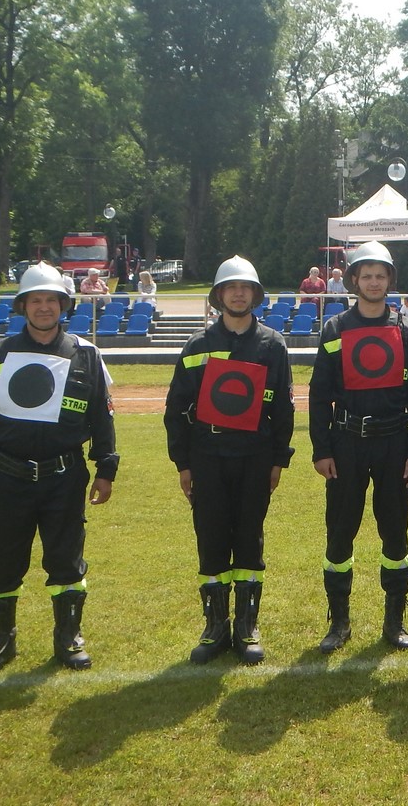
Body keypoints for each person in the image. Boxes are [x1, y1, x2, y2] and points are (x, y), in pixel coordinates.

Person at [0, 263, 118, 677]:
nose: (44, 307)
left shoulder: (86, 354)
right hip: (8, 477)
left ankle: (68, 637)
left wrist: (106, 467)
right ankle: (0, 639)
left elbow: (101, 416)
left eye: (51, 300)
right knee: (2, 560)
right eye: (36, 300)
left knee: (66, 560)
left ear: (64, 305)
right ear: (23, 306)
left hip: (65, 477)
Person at [165, 256, 294, 665]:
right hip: (207, 457)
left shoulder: (272, 345)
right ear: (218, 295)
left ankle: (246, 627)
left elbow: (284, 408)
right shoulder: (197, 346)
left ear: (255, 295)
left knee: (250, 538)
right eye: (231, 287)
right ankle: (215, 627)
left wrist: (278, 459)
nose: (239, 294)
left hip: (255, 456)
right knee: (211, 538)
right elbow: (176, 408)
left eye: (246, 288)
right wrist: (183, 463)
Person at [310, 242, 408, 653]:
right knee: (340, 532)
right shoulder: (335, 329)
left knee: (395, 532)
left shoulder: (406, 329)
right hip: (346, 443)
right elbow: (319, 393)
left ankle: (394, 621)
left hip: (394, 442)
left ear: (389, 280)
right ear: (354, 280)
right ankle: (339, 621)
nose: (374, 282)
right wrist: (321, 449)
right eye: (366, 275)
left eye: (380, 275)